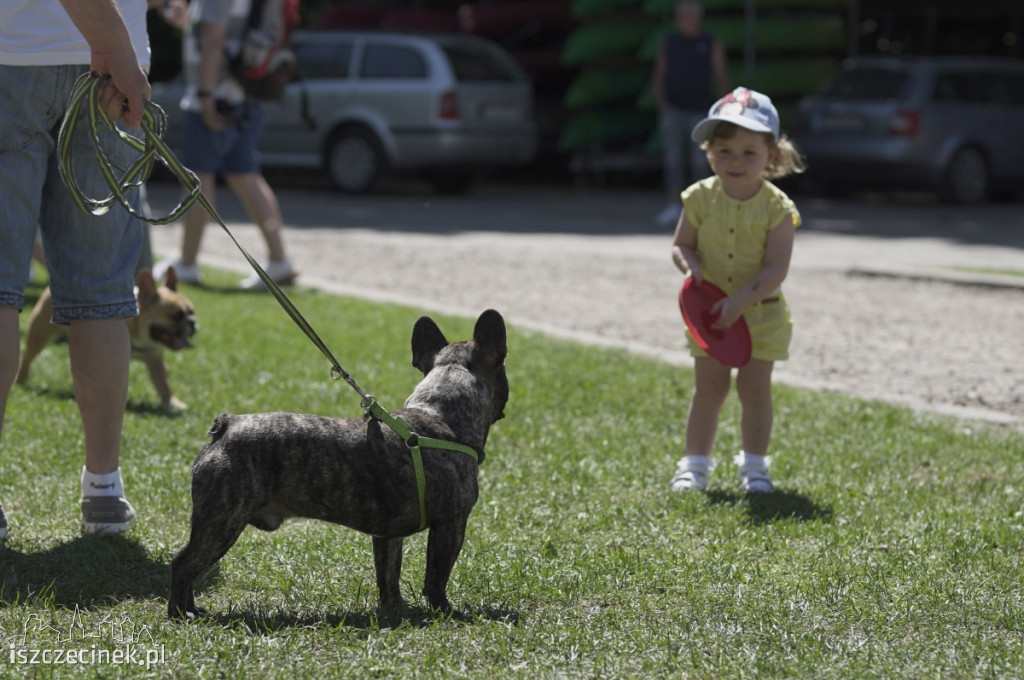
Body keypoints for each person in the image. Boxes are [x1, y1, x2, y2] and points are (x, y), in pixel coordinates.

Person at [0, 0, 154, 537]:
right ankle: (104, 490)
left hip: (16, 56)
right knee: (101, 292)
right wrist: (118, 45)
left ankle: (105, 489)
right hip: (110, 64)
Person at [668, 86, 805, 494]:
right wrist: (691, 269)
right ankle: (694, 466)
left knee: (753, 389)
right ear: (710, 152)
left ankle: (755, 468)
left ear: (772, 156)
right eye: (724, 150)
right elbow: (681, 245)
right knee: (709, 388)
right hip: (711, 317)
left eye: (749, 152)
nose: (736, 161)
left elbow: (777, 268)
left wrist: (740, 302)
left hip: (760, 316)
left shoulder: (777, 209)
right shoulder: (699, 198)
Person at [153, 0, 298, 290]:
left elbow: (215, 38)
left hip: (217, 97)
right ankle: (280, 260)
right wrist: (187, 22)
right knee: (244, 174)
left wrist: (205, 96)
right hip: (247, 94)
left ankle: (187, 263)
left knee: (196, 177)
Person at [652, 1, 729, 227]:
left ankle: (700, 209)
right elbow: (659, 75)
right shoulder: (669, 42)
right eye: (679, 14)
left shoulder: (710, 42)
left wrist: (721, 111)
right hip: (673, 110)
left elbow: (720, 77)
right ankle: (673, 206)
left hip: (700, 112)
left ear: (697, 16)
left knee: (700, 163)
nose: (682, 18)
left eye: (686, 14)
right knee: (673, 160)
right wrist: (662, 105)